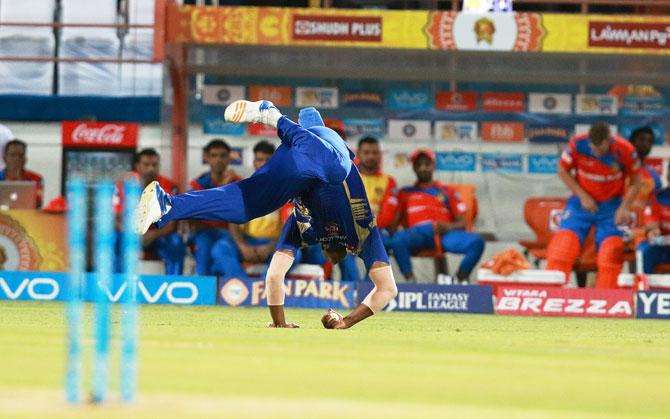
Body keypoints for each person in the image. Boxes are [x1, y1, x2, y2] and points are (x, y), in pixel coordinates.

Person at [136, 99, 397, 329]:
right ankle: (272, 115)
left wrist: (280, 322)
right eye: (336, 256)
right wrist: (347, 322)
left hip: (300, 164)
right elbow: (387, 290)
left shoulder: (302, 226)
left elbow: (274, 276)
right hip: (325, 154)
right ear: (349, 252)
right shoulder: (365, 236)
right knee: (335, 168)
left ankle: (168, 205)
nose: (333, 258)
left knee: (245, 207)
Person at [545, 122, 641, 288]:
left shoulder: (625, 150)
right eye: (593, 148)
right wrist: (582, 196)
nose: (596, 152)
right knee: (562, 248)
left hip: (611, 206)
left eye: (600, 148)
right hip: (581, 203)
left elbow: (636, 182)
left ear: (609, 141)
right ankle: (550, 296)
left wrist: (624, 207)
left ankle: (606, 303)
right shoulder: (577, 145)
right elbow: (562, 171)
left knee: (610, 252)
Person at [387, 148, 484, 284]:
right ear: (414, 168)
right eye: (419, 165)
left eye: (427, 164)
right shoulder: (405, 192)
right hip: (417, 235)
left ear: (433, 166)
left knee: (477, 242)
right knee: (397, 240)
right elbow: (392, 225)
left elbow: (462, 222)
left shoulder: (447, 191)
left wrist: (447, 226)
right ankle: (411, 282)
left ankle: (457, 280)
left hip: (443, 235)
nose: (423, 168)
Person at [209, 140, 283, 278]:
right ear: (254, 162)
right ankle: (244, 286)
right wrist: (242, 246)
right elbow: (233, 221)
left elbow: (290, 226)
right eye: (260, 159)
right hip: (248, 241)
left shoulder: (286, 189)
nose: (264, 163)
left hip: (275, 243)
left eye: (268, 159)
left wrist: (271, 247)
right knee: (220, 248)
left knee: (293, 254)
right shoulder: (244, 188)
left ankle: (263, 288)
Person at [116, 148, 185, 274]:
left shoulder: (170, 187)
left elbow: (172, 224)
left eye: (154, 165)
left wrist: (152, 235)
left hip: (158, 235)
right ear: (137, 166)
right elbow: (116, 218)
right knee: (112, 240)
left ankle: (173, 283)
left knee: (176, 242)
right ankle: (115, 284)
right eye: (146, 164)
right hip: (130, 234)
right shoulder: (122, 186)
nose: (151, 168)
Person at [188, 139, 240, 275]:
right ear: (206, 158)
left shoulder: (238, 183)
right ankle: (202, 291)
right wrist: (224, 185)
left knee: (221, 251)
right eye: (214, 155)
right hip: (204, 232)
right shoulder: (197, 184)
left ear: (229, 158)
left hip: (230, 233)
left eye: (223, 156)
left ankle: (237, 291)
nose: (218, 160)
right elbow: (195, 214)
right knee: (203, 245)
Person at [638, 162, 670, 274]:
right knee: (644, 250)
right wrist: (652, 231)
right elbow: (652, 225)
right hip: (663, 246)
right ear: (668, 176)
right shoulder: (657, 197)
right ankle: (644, 289)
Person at [0, 139, 44, 208]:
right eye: (12, 155)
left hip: (27, 216)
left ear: (25, 159)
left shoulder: (36, 179)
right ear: (4, 158)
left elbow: (38, 203)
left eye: (20, 155)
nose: (17, 159)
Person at [628, 126, 659, 209]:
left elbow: (655, 206)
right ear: (631, 142)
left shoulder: (654, 177)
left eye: (650, 141)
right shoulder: (620, 170)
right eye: (642, 140)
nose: (646, 144)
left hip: (641, 220)